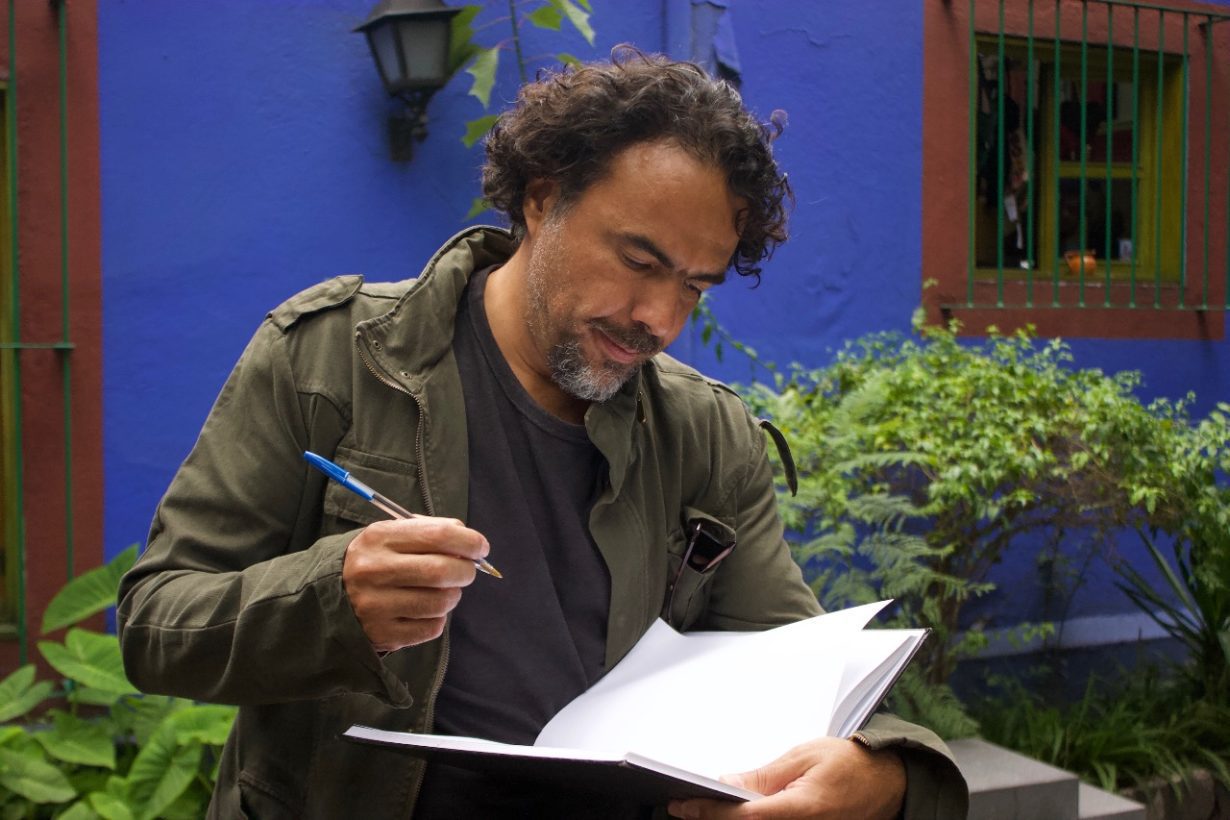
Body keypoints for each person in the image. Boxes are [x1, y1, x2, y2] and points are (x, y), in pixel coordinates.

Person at [117, 48, 968, 819]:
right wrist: (329, 600)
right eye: (639, 262)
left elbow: (796, 669)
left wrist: (886, 773)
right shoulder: (331, 358)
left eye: (694, 286)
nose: (659, 318)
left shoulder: (708, 435)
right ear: (541, 198)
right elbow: (156, 627)